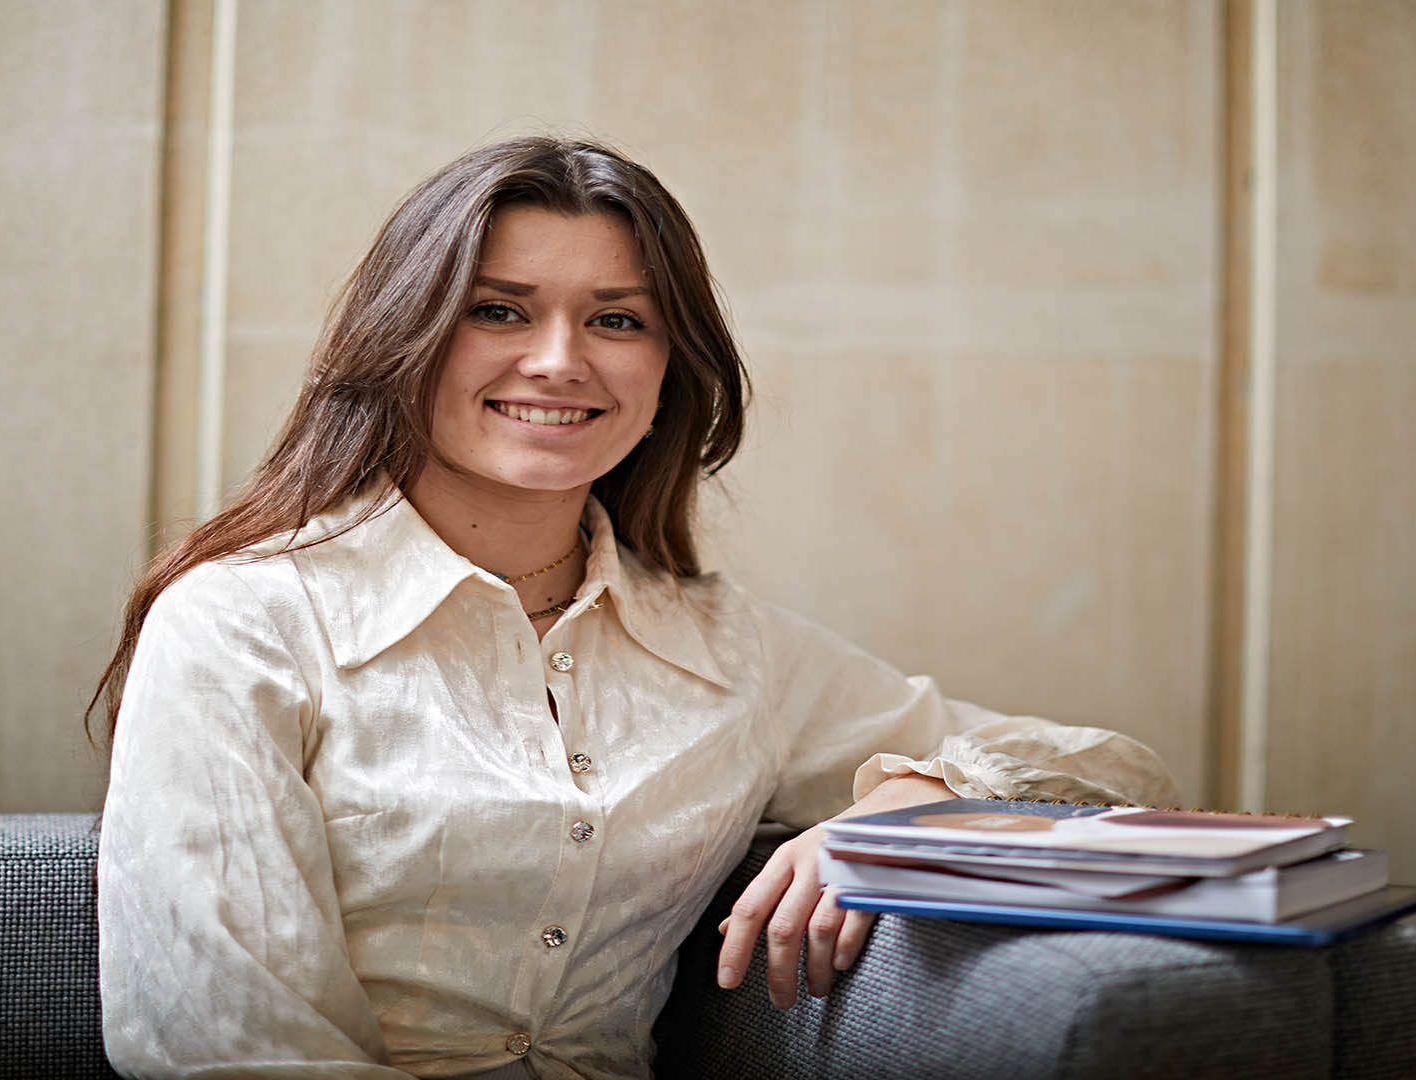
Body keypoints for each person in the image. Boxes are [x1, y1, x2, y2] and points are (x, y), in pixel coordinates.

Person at [89, 136, 1177, 1080]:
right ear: (405, 338)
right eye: (499, 310)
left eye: (616, 318)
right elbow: (225, 1043)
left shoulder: (729, 652)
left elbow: (1122, 778)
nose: (560, 361)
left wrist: (920, 798)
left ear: (667, 370)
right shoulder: (240, 624)